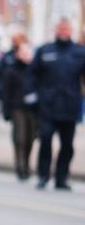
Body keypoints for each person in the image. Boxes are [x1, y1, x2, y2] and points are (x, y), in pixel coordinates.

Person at [31, 18, 83, 191]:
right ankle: (43, 176)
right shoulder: (45, 51)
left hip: (69, 107)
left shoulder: (79, 52)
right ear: (56, 30)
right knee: (45, 141)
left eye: (67, 28)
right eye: (61, 28)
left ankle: (61, 178)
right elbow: (32, 74)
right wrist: (33, 96)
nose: (64, 31)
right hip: (48, 106)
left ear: (71, 31)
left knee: (67, 145)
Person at [1, 42, 38, 181]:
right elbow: (6, 92)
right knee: (20, 138)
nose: (26, 55)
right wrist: (6, 111)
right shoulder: (12, 70)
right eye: (23, 52)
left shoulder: (35, 70)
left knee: (30, 138)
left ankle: (27, 163)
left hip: (32, 109)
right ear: (18, 54)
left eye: (28, 53)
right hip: (17, 108)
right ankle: (20, 166)